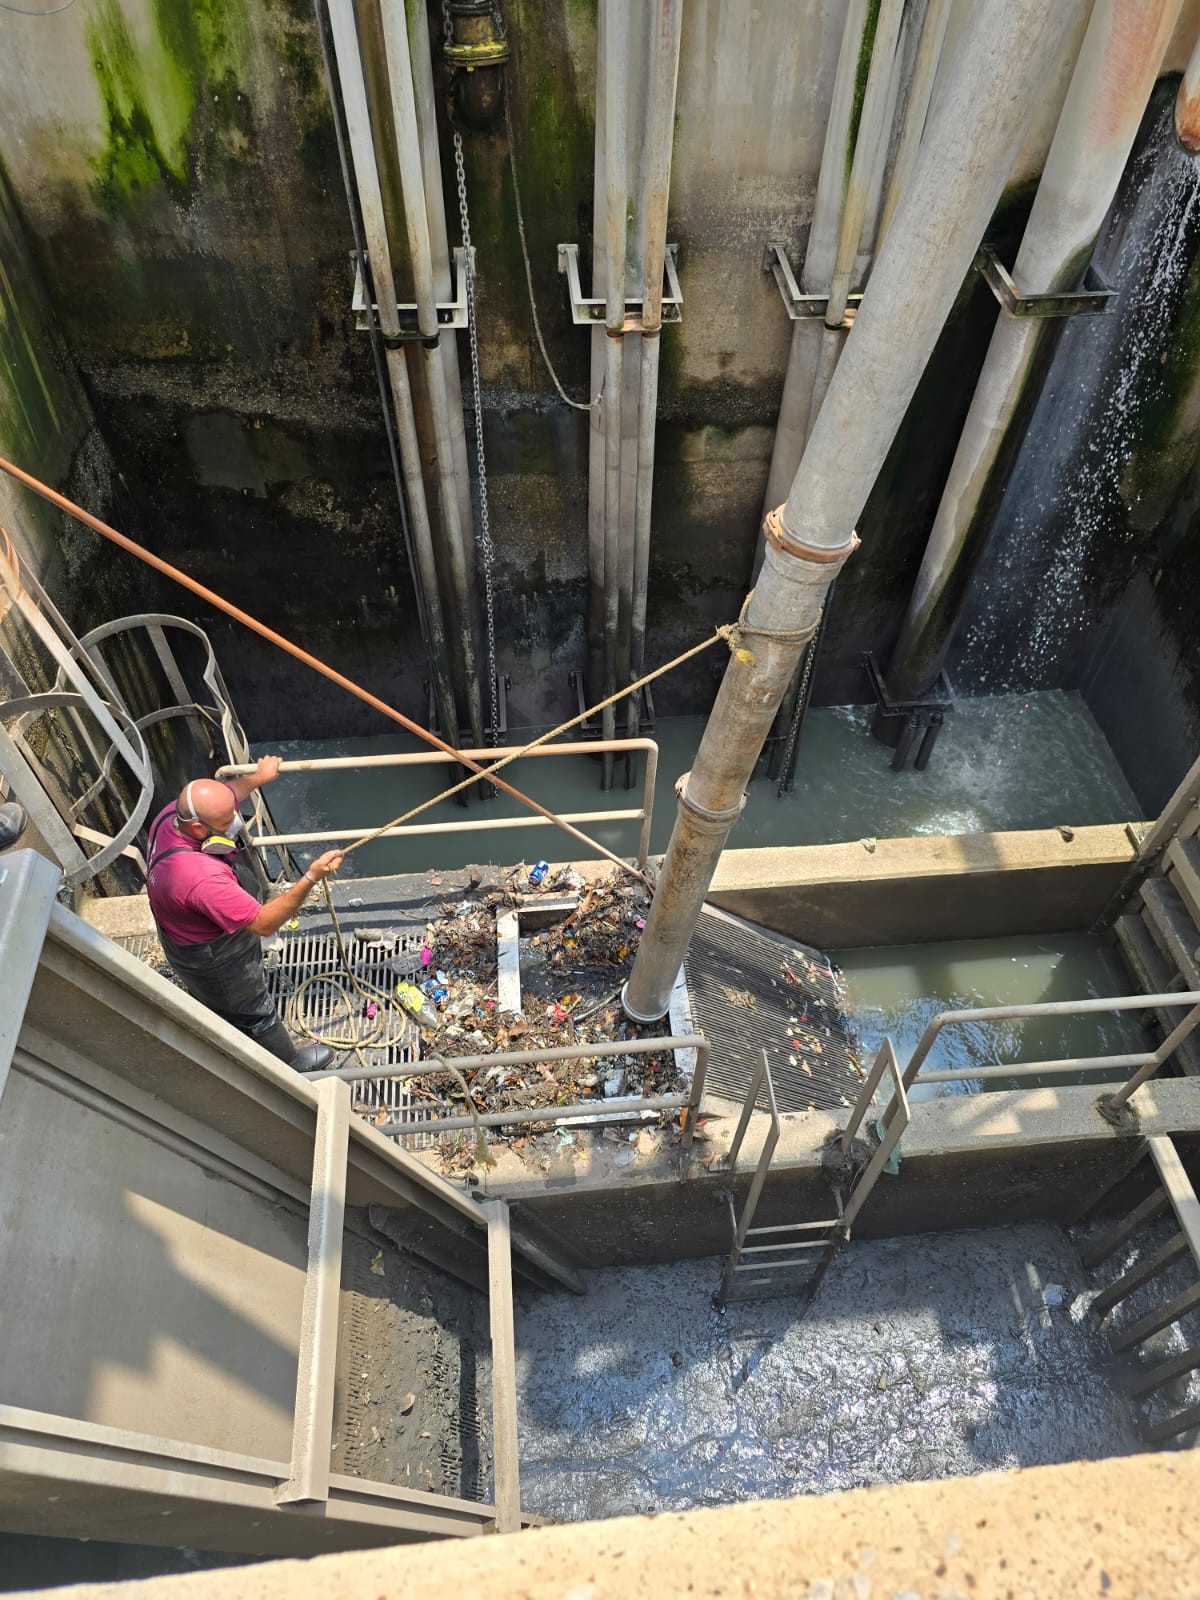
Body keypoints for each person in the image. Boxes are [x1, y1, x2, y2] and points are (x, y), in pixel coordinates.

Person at [145, 756, 344, 1072]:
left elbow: (225, 796)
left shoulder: (171, 815)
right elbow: (265, 924)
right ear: (198, 828)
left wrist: (258, 778)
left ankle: (222, 1009)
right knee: (253, 1008)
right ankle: (291, 1064)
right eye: (227, 823)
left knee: (220, 999)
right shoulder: (200, 878)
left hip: (181, 933)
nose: (236, 823)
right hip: (213, 958)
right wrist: (310, 877)